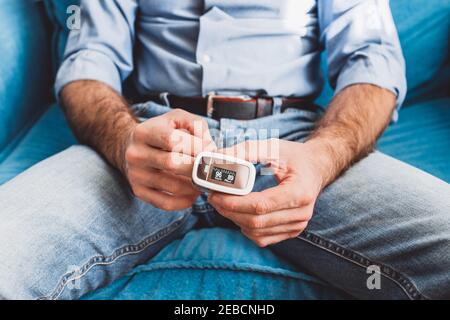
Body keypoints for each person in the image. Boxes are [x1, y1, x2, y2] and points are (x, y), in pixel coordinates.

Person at [0, 0, 448, 300]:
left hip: (297, 144)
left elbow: (372, 62)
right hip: (151, 136)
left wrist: (323, 158)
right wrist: (124, 142)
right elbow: (87, 65)